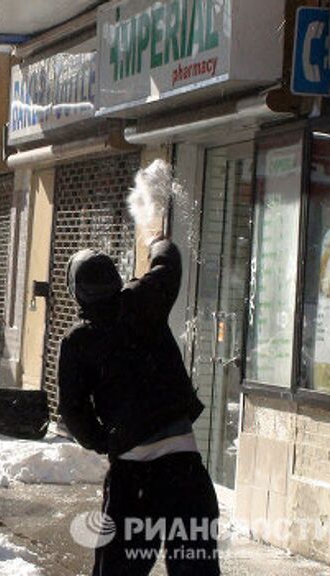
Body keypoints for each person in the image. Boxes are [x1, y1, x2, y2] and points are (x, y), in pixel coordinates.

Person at [57, 235, 219, 576]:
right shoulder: (145, 299)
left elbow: (73, 410)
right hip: (185, 474)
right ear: (115, 279)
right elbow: (168, 263)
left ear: (77, 292)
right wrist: (157, 241)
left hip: (133, 483)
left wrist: (103, 441)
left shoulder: (78, 342)